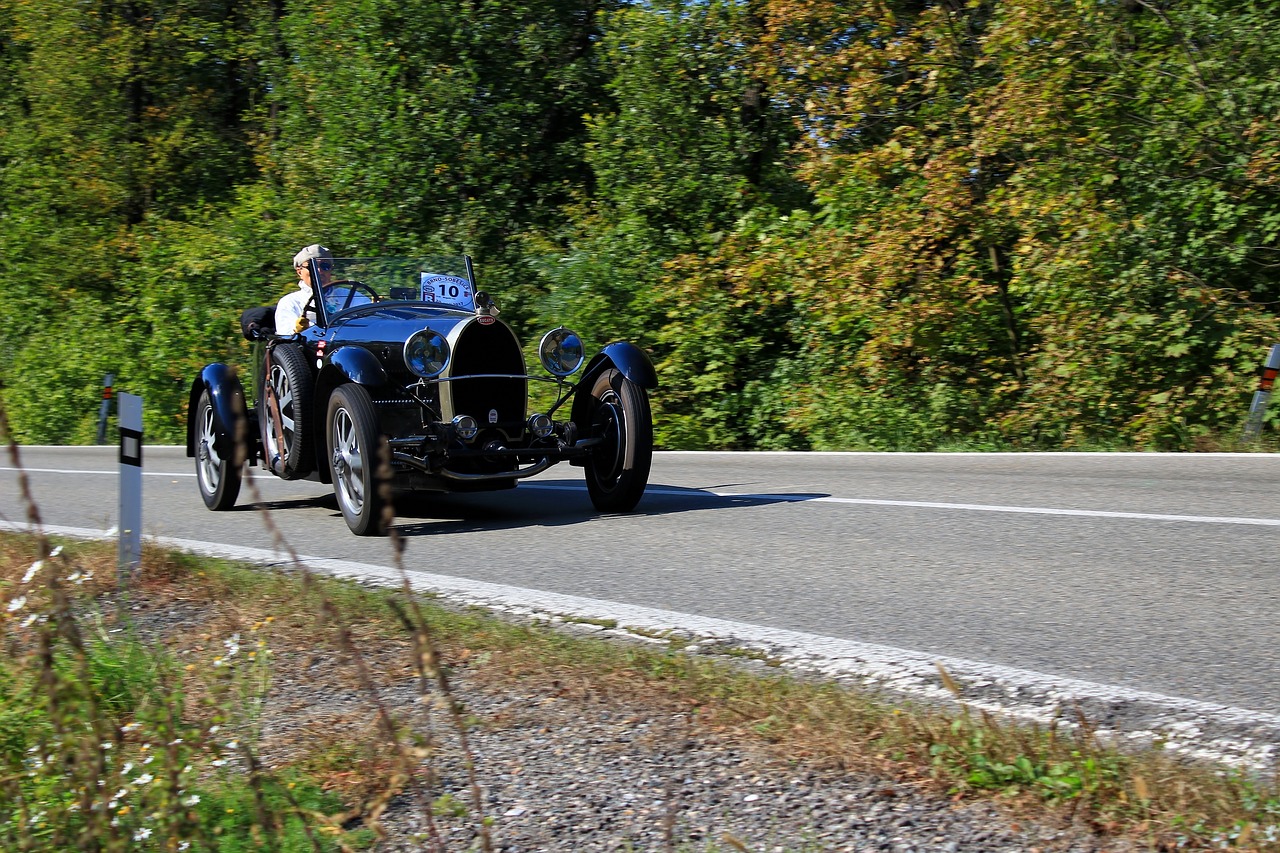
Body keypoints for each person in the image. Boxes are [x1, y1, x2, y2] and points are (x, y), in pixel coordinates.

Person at [275, 244, 334, 334]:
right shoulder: (290, 302)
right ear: (299, 272)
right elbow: (285, 334)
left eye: (325, 266)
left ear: (331, 270)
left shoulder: (352, 296)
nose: (319, 271)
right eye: (311, 267)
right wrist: (296, 330)